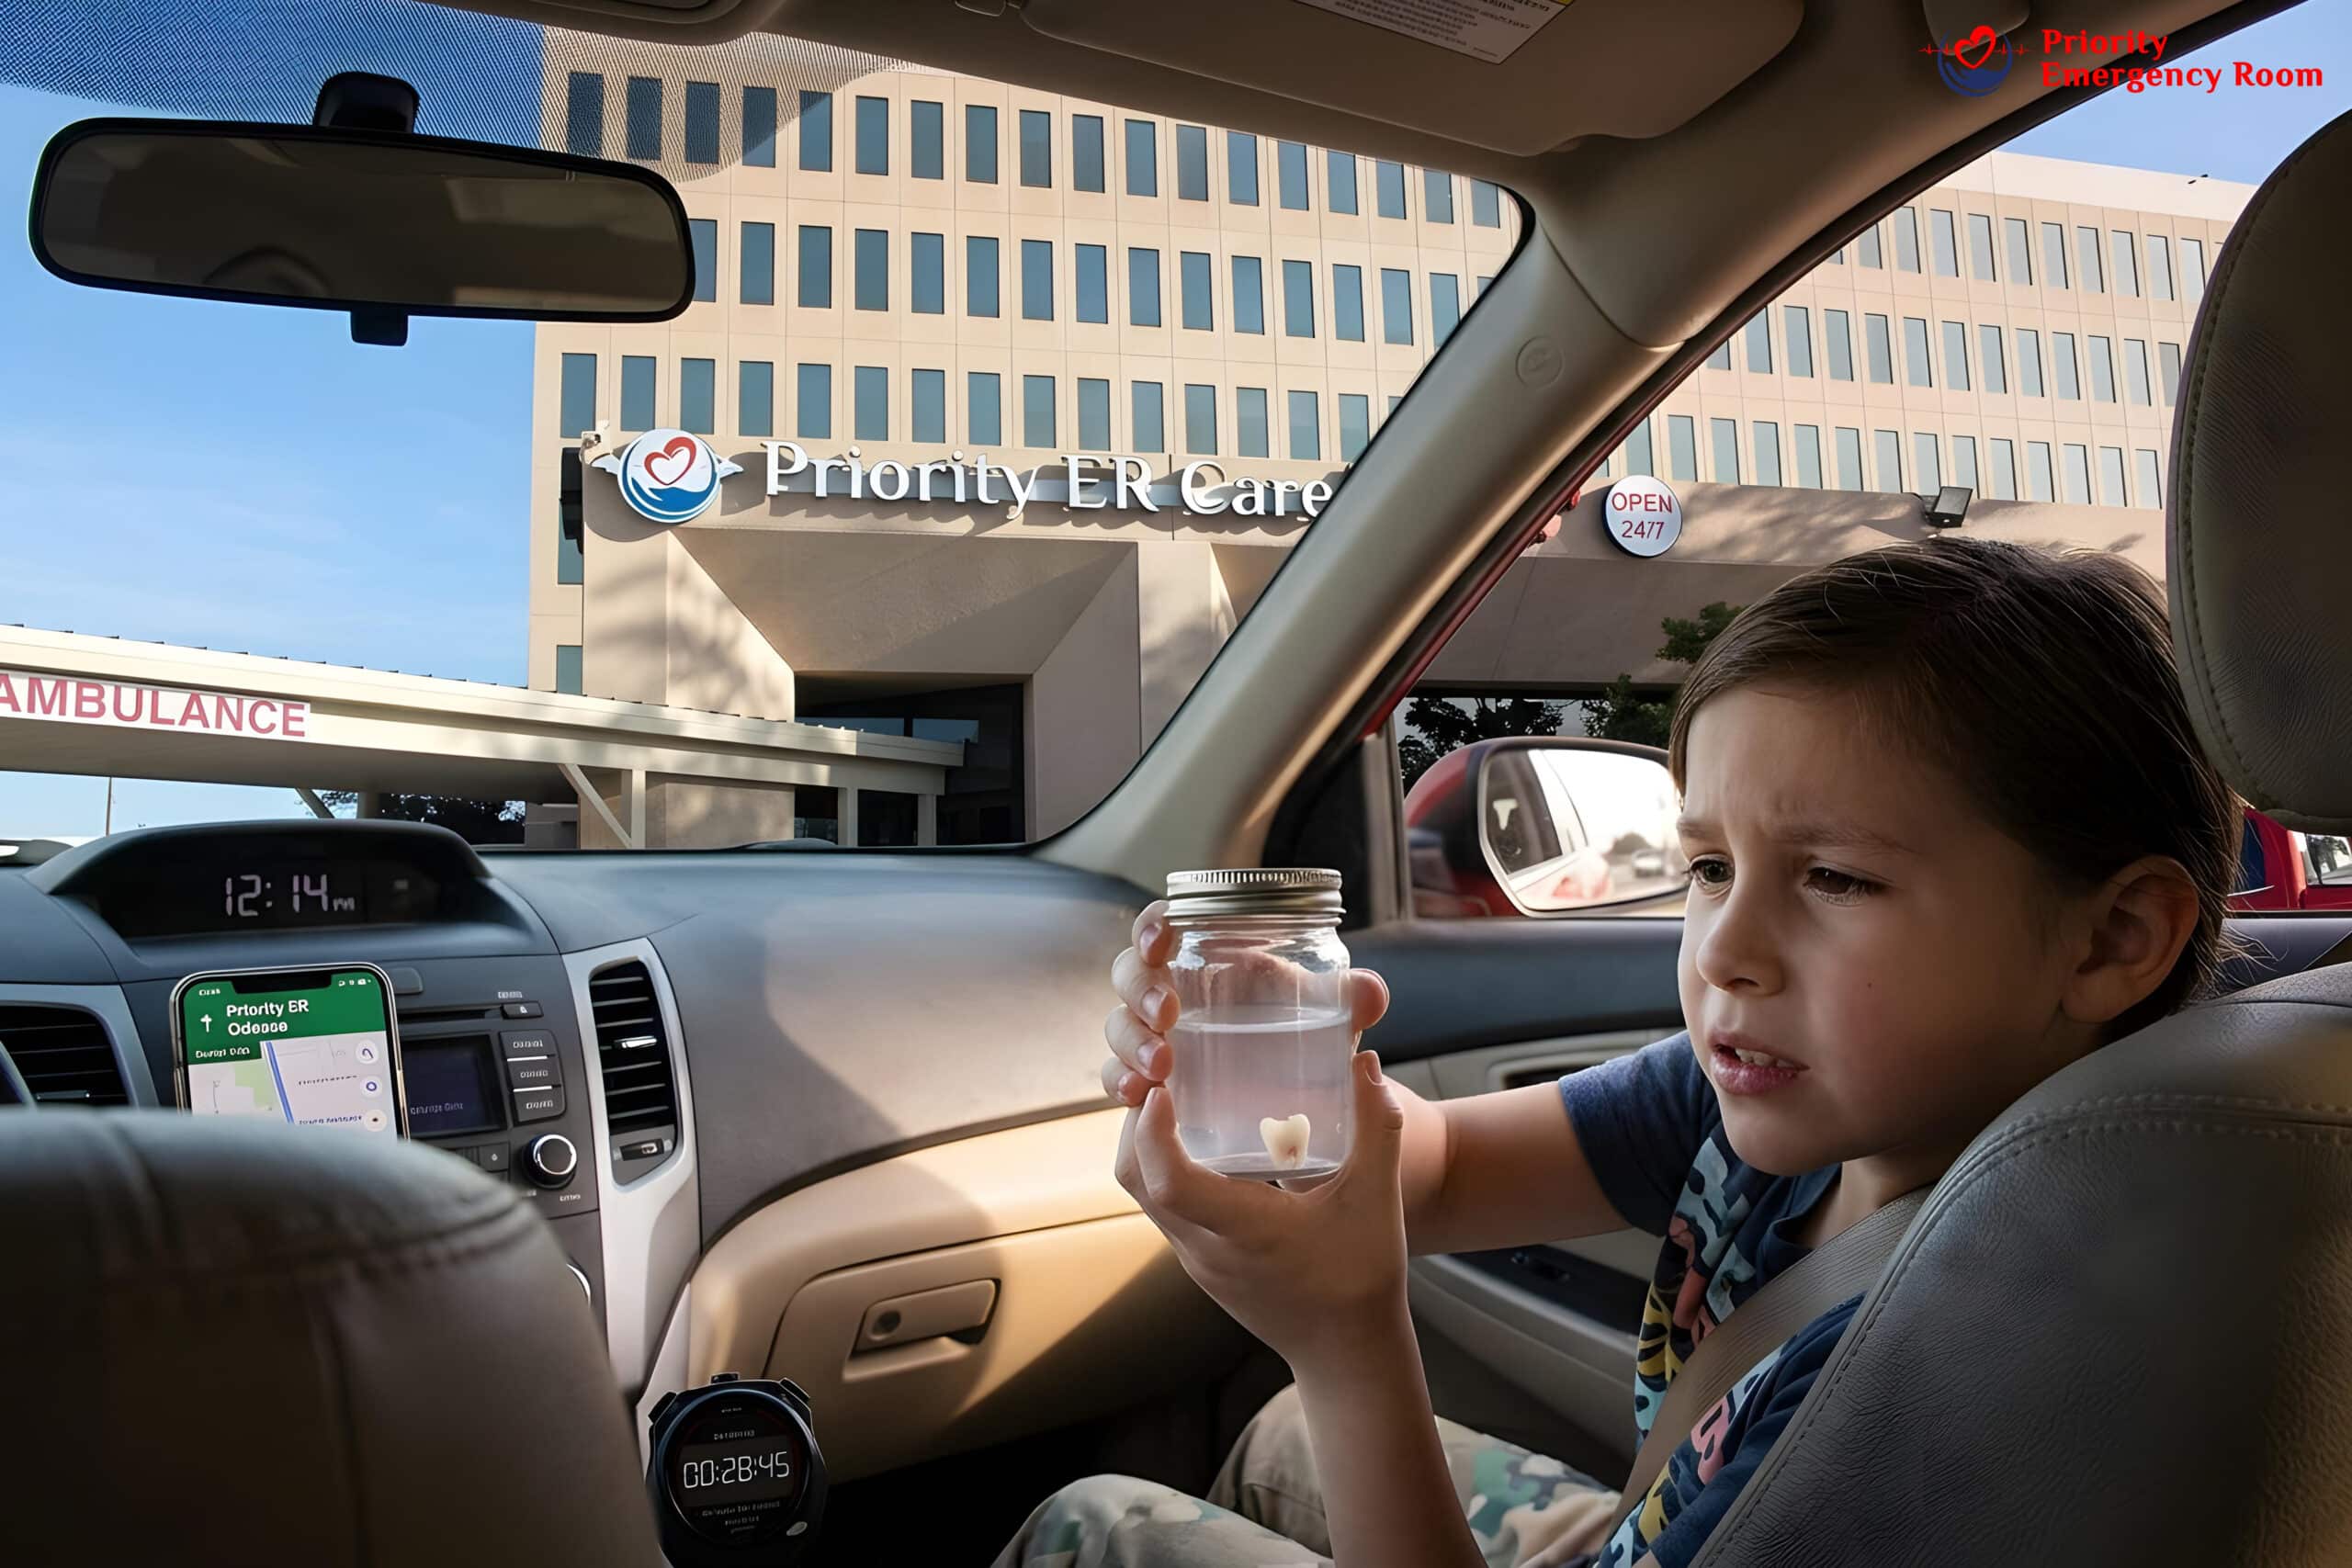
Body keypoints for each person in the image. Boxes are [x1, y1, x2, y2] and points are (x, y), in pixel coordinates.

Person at [992, 537, 2242, 1568]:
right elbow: (1432, 1171)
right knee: (1282, 1437)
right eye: (1705, 868)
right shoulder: (1763, 1099)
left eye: (1837, 878)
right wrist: (1281, 1057)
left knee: (1096, 1526)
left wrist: (1343, 1339)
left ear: (2111, 939)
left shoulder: (1948, 1368)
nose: (1723, 951)